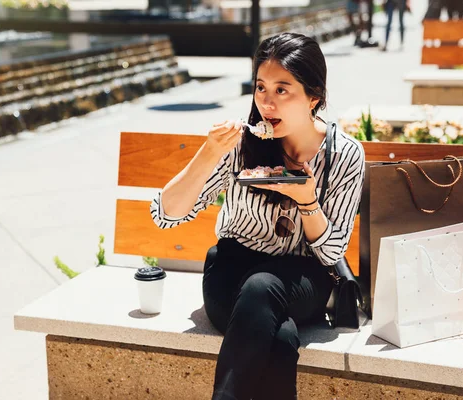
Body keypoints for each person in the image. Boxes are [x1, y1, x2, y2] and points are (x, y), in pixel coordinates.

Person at [150, 32, 365, 400]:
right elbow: (165, 215)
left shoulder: (344, 155)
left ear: (314, 97)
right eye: (261, 87)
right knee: (280, 337)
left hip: (302, 278)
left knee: (263, 286)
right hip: (231, 274)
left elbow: (330, 255)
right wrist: (207, 153)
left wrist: (308, 202)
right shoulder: (242, 142)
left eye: (283, 90)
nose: (267, 103)